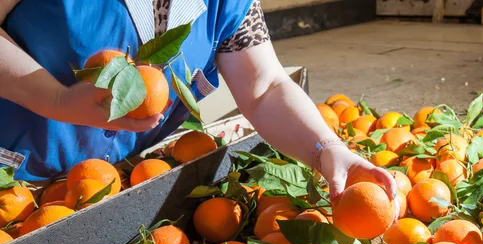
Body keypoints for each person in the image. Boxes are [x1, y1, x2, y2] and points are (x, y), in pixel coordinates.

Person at [0, 0, 396, 203]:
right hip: (12, 183)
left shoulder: (228, 5)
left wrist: (326, 148)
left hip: (99, 189)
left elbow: (265, 88)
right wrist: (55, 99)